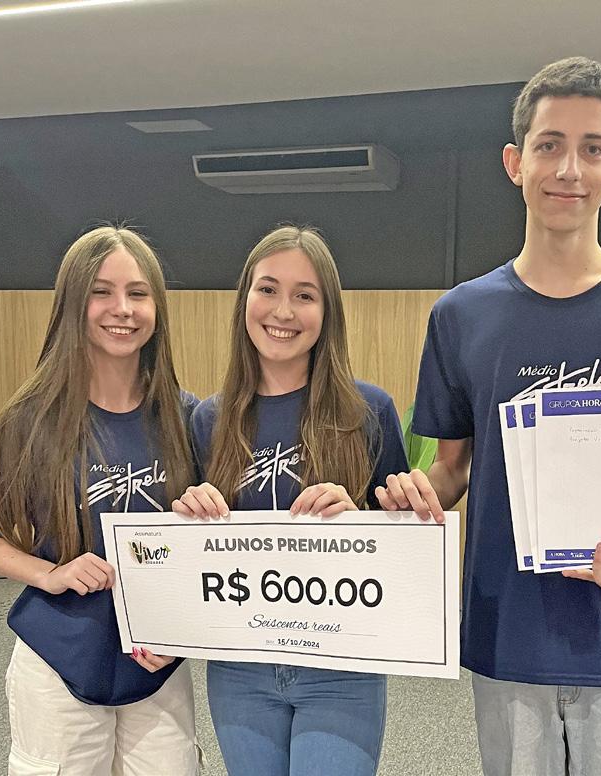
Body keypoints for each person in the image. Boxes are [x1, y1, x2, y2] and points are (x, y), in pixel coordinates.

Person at [375, 57, 601, 776]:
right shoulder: (460, 314)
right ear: (515, 162)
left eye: (592, 148)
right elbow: (452, 468)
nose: (569, 168)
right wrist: (414, 498)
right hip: (507, 633)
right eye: (549, 145)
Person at [173, 225, 410, 776]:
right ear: (245, 299)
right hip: (240, 671)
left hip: (342, 670)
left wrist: (361, 519)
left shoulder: (368, 411)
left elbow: (401, 557)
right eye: (268, 289)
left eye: (304, 295)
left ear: (328, 313)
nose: (283, 311)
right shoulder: (209, 420)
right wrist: (190, 514)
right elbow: (191, 559)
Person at [0, 226, 201, 775]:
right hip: (59, 657)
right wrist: (50, 574)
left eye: (138, 293)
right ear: (73, 303)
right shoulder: (30, 419)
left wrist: (188, 630)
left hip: (158, 664)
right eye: (101, 292)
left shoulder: (188, 417)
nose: (122, 308)